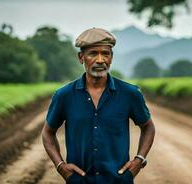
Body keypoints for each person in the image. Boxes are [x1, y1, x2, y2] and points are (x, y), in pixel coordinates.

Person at [42, 27, 155, 184]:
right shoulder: (64, 95)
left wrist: (139, 159)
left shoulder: (130, 93)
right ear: (81, 57)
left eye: (105, 53)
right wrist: (61, 166)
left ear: (111, 57)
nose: (100, 60)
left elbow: (148, 127)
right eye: (93, 53)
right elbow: (48, 133)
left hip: (119, 181)